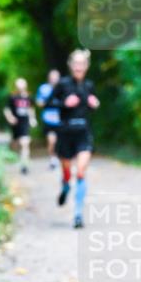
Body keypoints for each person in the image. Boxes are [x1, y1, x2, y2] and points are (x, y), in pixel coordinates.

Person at [49, 50, 99, 229]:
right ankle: (65, 186)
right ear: (71, 65)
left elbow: (90, 106)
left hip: (83, 133)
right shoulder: (62, 84)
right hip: (65, 133)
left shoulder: (89, 86)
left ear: (86, 66)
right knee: (68, 172)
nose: (79, 67)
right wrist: (63, 103)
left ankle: (78, 215)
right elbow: (47, 103)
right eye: (76, 63)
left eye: (82, 64)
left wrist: (94, 104)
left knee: (81, 172)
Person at [3, 78, 36, 175]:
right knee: (15, 144)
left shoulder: (29, 97)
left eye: (22, 84)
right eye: (18, 85)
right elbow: (6, 109)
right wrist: (10, 118)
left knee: (25, 143)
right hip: (15, 124)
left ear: (25, 85)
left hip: (25, 123)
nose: (20, 86)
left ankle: (24, 165)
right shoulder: (12, 97)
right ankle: (14, 158)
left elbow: (31, 109)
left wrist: (32, 119)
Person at [35, 69, 62, 169]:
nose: (54, 79)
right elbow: (38, 102)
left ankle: (59, 158)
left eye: (56, 77)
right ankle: (52, 158)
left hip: (61, 119)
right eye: (52, 77)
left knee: (60, 141)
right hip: (48, 119)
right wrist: (47, 102)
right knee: (52, 141)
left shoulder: (63, 88)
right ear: (49, 78)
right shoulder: (43, 88)